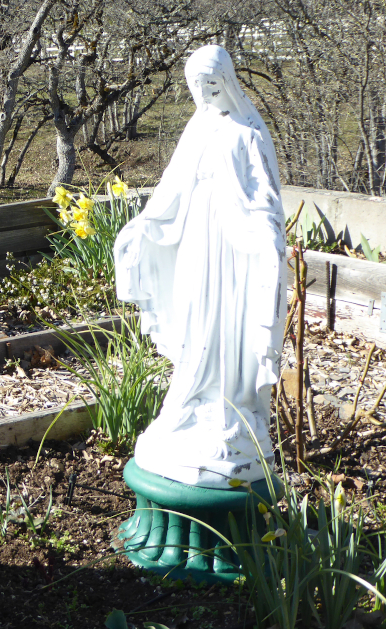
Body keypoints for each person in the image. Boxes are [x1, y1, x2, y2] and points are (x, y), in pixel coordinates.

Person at [114, 45, 287, 487]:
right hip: (196, 243)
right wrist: (143, 225)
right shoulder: (197, 129)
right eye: (198, 85)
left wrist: (266, 234)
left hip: (232, 251)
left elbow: (265, 195)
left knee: (224, 326)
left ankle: (226, 409)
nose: (207, 92)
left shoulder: (248, 132)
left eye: (213, 83)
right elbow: (171, 187)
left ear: (228, 80)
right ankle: (190, 404)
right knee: (195, 322)